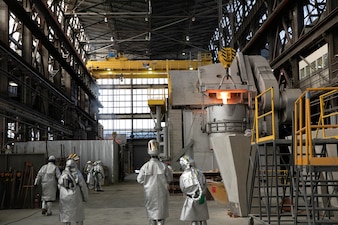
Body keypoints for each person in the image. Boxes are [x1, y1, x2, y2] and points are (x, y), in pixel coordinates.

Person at [137, 139, 173, 225]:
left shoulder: (145, 167)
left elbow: (139, 179)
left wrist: (147, 181)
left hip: (149, 193)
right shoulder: (164, 166)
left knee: (151, 214)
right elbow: (170, 179)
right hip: (162, 193)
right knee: (161, 213)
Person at [179, 155, 209, 225]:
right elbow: (204, 184)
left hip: (191, 199)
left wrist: (191, 192)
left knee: (194, 219)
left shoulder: (183, 176)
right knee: (203, 218)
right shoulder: (200, 173)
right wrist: (202, 193)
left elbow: (183, 188)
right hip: (201, 198)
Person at [58, 158, 88, 225]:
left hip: (64, 196)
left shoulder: (63, 174)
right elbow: (83, 186)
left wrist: (62, 192)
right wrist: (85, 197)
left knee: (65, 213)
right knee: (78, 214)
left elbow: (59, 184)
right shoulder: (78, 174)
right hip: (75, 195)